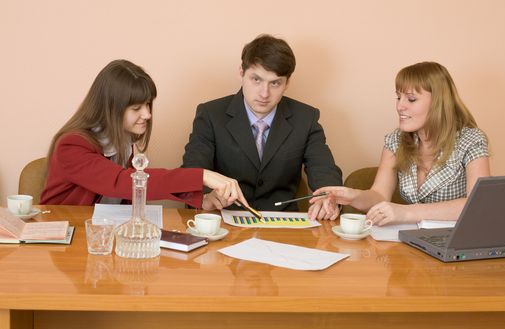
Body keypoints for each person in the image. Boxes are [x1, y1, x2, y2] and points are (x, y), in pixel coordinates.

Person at [40, 59, 246, 208]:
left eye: (148, 105)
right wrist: (203, 175)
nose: (147, 114)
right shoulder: (72, 145)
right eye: (136, 108)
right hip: (67, 239)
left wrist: (202, 200)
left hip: (101, 233)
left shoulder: (122, 141)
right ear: (111, 107)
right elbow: (123, 182)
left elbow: (136, 190)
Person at [182, 34, 342, 219]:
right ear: (241, 73)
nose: (264, 93)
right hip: (223, 221)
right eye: (256, 80)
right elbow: (191, 172)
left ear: (287, 83)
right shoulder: (211, 114)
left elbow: (324, 169)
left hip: (283, 226)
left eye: (275, 83)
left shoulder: (305, 118)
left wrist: (328, 197)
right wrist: (206, 198)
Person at [311, 61, 491, 225]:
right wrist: (352, 195)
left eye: (411, 99)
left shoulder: (471, 140)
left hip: (456, 242)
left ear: (439, 103)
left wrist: (407, 212)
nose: (399, 106)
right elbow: (380, 195)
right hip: (414, 244)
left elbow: (478, 203)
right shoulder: (395, 141)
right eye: (398, 97)